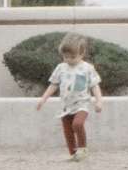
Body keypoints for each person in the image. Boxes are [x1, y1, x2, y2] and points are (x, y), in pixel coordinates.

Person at [36, 32, 104, 161]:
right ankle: (73, 154)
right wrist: (43, 99)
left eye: (72, 57)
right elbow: (53, 85)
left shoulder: (87, 68)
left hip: (81, 104)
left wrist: (99, 101)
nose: (69, 60)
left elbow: (95, 85)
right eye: (65, 57)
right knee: (68, 131)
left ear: (82, 53)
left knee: (77, 124)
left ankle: (83, 149)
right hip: (65, 106)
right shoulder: (61, 68)